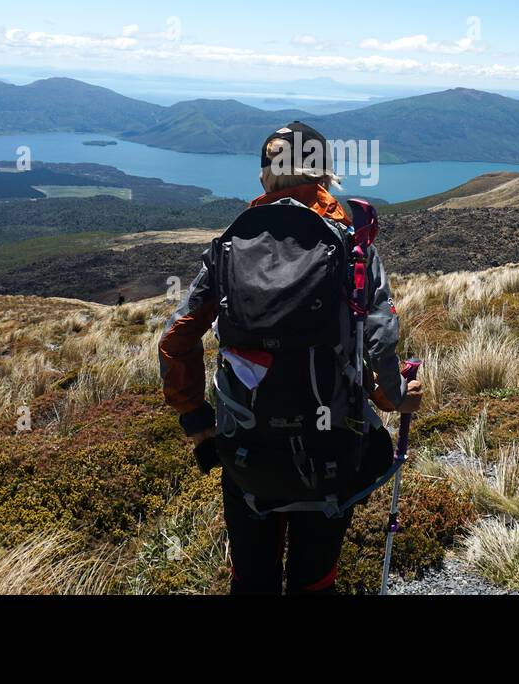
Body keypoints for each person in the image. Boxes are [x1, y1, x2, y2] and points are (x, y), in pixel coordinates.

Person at [158, 121, 421, 594]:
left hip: (245, 448)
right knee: (314, 579)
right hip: (332, 446)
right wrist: (393, 395)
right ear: (325, 175)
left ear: (264, 177)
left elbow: (176, 338)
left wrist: (195, 417)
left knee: (252, 579)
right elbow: (380, 335)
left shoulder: (228, 246)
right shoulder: (353, 246)